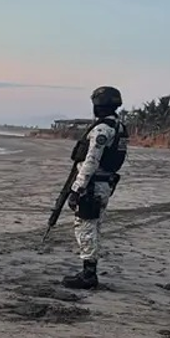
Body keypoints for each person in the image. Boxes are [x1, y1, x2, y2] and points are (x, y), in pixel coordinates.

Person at [62, 86, 129, 289]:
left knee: (85, 226)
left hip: (93, 184)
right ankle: (89, 270)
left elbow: (91, 160)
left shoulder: (102, 129)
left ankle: (88, 274)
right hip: (104, 182)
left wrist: (77, 187)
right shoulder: (118, 126)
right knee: (92, 225)